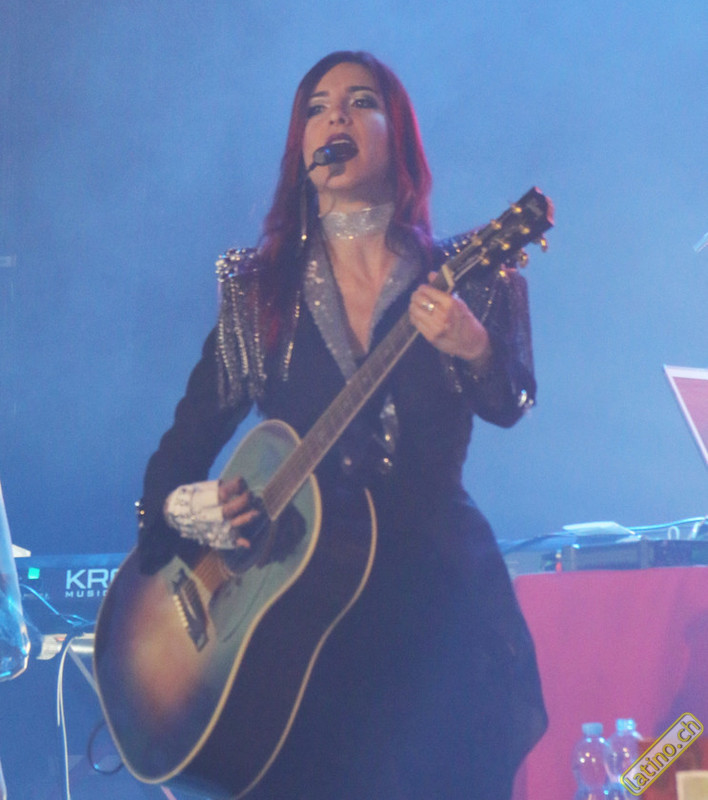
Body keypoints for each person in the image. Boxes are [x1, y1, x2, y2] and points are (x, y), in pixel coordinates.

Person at [137, 50, 547, 800]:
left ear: (399, 135)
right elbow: (178, 454)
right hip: (305, 627)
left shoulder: (472, 273)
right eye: (318, 107)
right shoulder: (257, 295)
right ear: (301, 146)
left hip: (441, 605)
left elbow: (511, 400)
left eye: (362, 102)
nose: (337, 116)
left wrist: (474, 346)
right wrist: (191, 510)